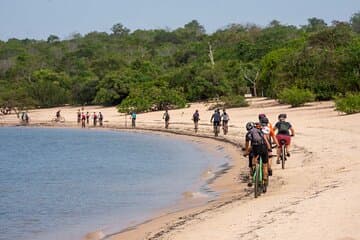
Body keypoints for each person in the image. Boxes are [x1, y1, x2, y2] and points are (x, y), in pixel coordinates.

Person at [244, 121, 271, 191]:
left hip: (255, 148)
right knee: (265, 165)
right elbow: (265, 140)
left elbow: (247, 146)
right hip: (263, 147)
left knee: (254, 158)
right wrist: (269, 148)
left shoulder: (248, 134)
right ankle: (265, 177)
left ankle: (254, 169)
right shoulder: (260, 131)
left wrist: (246, 152)